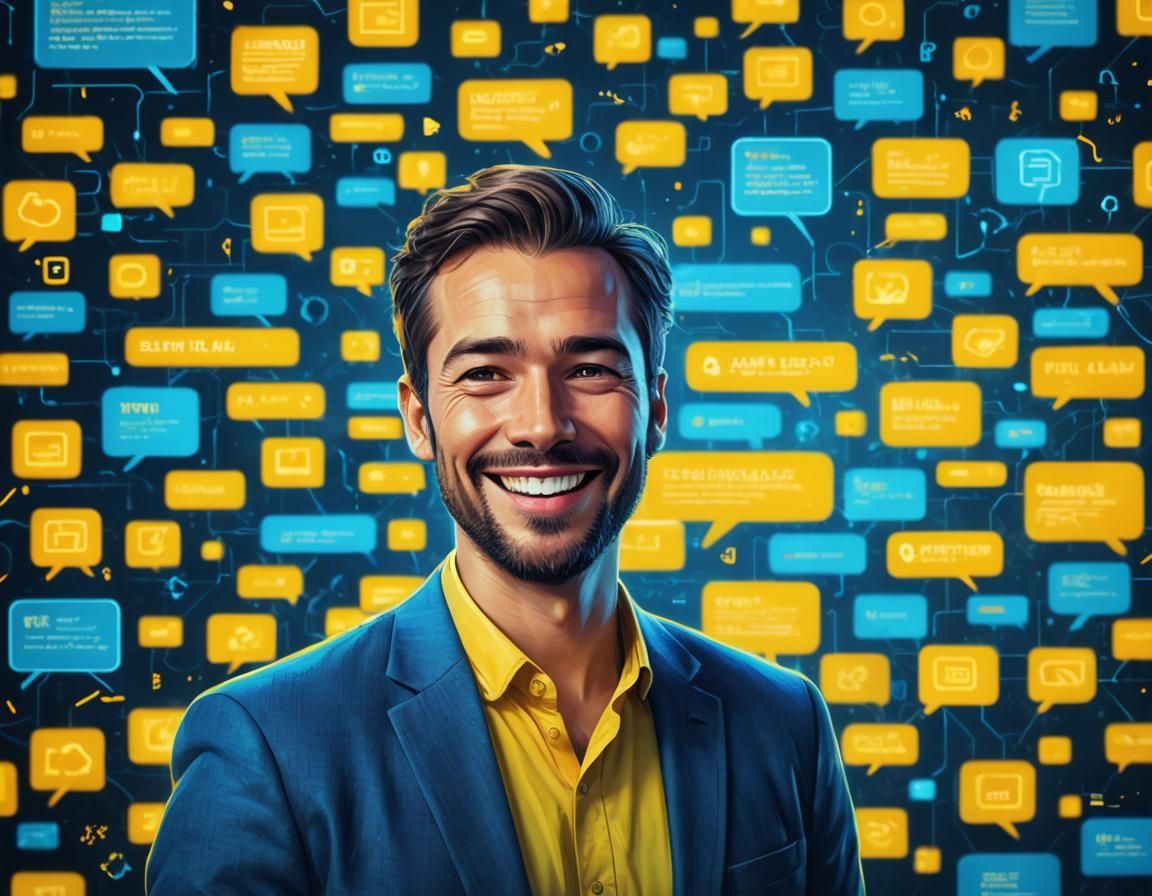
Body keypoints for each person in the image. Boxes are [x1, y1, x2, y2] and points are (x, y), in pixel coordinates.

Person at [146, 164, 864, 895]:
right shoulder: (264, 747)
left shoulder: (785, 726)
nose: (542, 426)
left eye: (589, 369)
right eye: (487, 373)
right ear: (419, 417)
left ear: (655, 407)